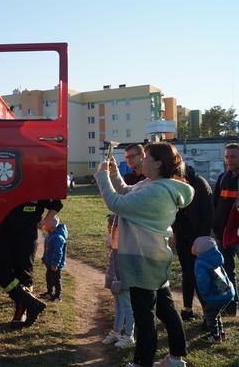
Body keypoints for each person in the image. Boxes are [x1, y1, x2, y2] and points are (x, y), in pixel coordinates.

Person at [95, 142, 193, 367]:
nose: (142, 160)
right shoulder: (154, 184)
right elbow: (127, 192)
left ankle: (142, 362)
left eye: (147, 157)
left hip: (143, 259)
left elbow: (117, 203)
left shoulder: (157, 191)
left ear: (158, 163)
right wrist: (113, 173)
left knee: (144, 315)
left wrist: (101, 177)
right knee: (165, 309)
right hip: (153, 256)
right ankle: (176, 357)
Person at [0, 199, 63, 328]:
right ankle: (31, 302)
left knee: (23, 275)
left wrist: (44, 222)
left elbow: (56, 204)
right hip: (4, 231)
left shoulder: (39, 185)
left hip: (26, 236)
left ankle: (20, 313)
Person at [172, 165, 213, 321]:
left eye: (176, 179)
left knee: (198, 274)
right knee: (186, 273)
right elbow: (177, 212)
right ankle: (187, 309)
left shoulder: (200, 184)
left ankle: (208, 314)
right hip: (183, 236)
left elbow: (208, 214)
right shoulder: (178, 185)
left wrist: (202, 238)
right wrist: (175, 232)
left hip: (198, 238)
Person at [212, 143, 239, 316]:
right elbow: (215, 206)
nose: (229, 160)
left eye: (233, 156)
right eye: (227, 156)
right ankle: (230, 306)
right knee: (225, 270)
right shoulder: (223, 178)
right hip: (222, 235)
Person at [192, 236, 235, 343]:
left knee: (210, 316)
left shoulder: (200, 262)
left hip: (215, 295)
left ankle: (214, 336)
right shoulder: (215, 258)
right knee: (216, 314)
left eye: (194, 245)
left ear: (200, 249)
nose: (191, 247)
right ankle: (221, 334)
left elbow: (203, 280)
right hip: (226, 292)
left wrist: (205, 294)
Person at [101, 214, 135, 349]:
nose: (110, 228)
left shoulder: (128, 243)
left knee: (128, 307)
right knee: (119, 307)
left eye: (113, 226)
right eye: (109, 226)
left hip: (125, 279)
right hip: (114, 279)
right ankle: (116, 332)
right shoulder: (112, 240)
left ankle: (129, 335)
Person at [40, 215, 67, 301]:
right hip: (49, 262)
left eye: (45, 224)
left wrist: (55, 264)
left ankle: (57, 295)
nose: (43, 226)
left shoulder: (58, 237)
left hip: (55, 265)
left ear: (50, 226)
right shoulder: (50, 234)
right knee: (49, 277)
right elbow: (47, 248)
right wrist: (44, 258)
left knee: (56, 279)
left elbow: (58, 252)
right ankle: (49, 292)